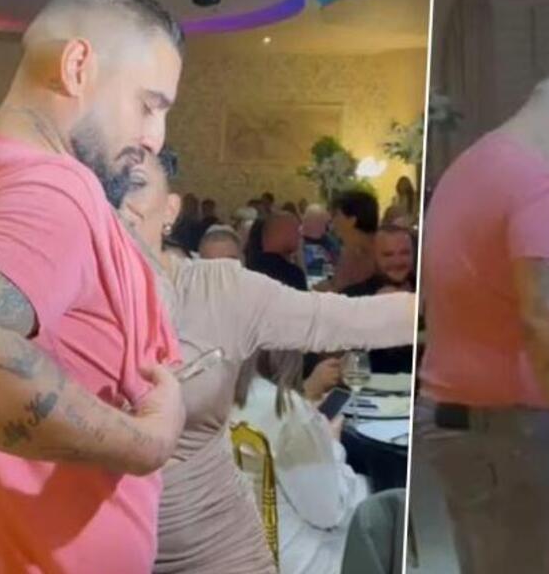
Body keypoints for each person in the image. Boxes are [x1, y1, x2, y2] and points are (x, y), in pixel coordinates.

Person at [119, 149, 417, 574]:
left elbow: (337, 318)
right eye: (105, 186)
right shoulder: (74, 297)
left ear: (170, 209)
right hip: (116, 548)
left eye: (134, 185)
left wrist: (449, 304)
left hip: (221, 549)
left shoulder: (218, 288)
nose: (118, 202)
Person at [0, 0, 186, 572]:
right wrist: (149, 443)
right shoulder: (58, 190)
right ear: (78, 66)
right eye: (149, 105)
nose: (154, 138)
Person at [416, 68, 549, 574]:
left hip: (459, 422)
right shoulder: (540, 186)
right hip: (508, 432)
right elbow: (546, 322)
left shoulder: (467, 168)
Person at [232, 351, 368, 574]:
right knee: (386, 508)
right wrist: (333, 446)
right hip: (294, 560)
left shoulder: (214, 395)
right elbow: (331, 513)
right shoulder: (284, 407)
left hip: (235, 550)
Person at [345, 225, 417, 373]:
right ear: (374, 257)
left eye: (405, 253)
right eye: (388, 255)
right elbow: (340, 358)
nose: (397, 261)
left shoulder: (429, 293)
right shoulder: (352, 297)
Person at [321, 189, 379, 292]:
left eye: (335, 214)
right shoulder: (349, 249)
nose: (331, 220)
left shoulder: (361, 251)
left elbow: (338, 290)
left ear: (352, 220)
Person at [247, 210, 308, 291]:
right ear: (282, 234)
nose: (300, 235)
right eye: (296, 230)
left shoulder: (248, 270)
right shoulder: (292, 275)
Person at [302, 203, 339, 278]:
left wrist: (328, 276)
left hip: (323, 279)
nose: (324, 229)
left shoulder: (330, 242)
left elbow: (335, 265)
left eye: (325, 224)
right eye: (320, 223)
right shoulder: (294, 239)